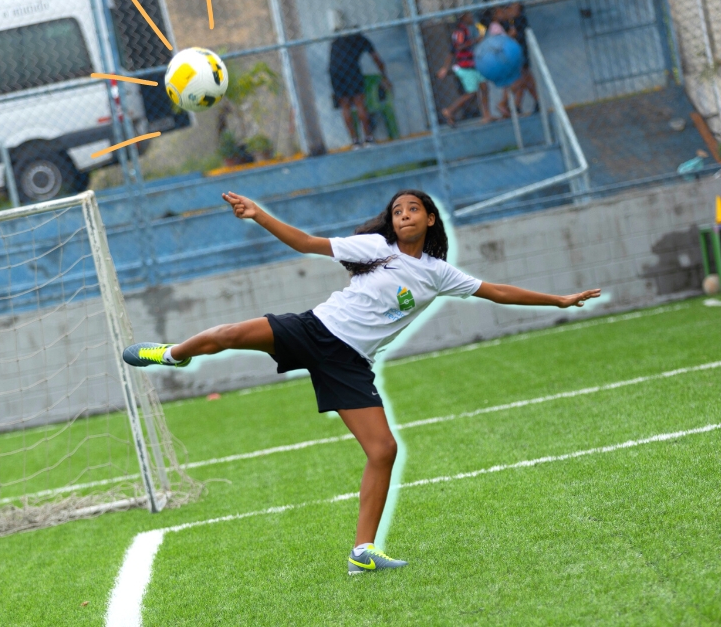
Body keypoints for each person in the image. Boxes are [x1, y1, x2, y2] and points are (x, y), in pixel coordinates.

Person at [122, 189, 601, 575]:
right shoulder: (377, 249)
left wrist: (557, 300)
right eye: (397, 211)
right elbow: (307, 243)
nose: (404, 216)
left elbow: (495, 291)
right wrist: (259, 215)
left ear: (431, 220)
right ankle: (172, 354)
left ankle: (363, 550)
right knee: (228, 334)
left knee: (384, 450)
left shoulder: (437, 274)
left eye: (414, 209)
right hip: (313, 330)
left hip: (349, 363)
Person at [328, 17, 392, 148]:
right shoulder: (362, 40)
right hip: (351, 70)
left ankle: (355, 142)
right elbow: (377, 59)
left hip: (335, 72)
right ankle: (368, 139)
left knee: (345, 106)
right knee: (359, 103)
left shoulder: (337, 41)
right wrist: (384, 76)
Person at [437, 12, 493, 126]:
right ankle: (450, 110)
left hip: (474, 64)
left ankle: (487, 115)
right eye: (469, 16)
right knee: (471, 92)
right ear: (463, 18)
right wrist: (475, 41)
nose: (471, 18)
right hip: (466, 66)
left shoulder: (468, 30)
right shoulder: (459, 32)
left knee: (484, 87)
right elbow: (458, 47)